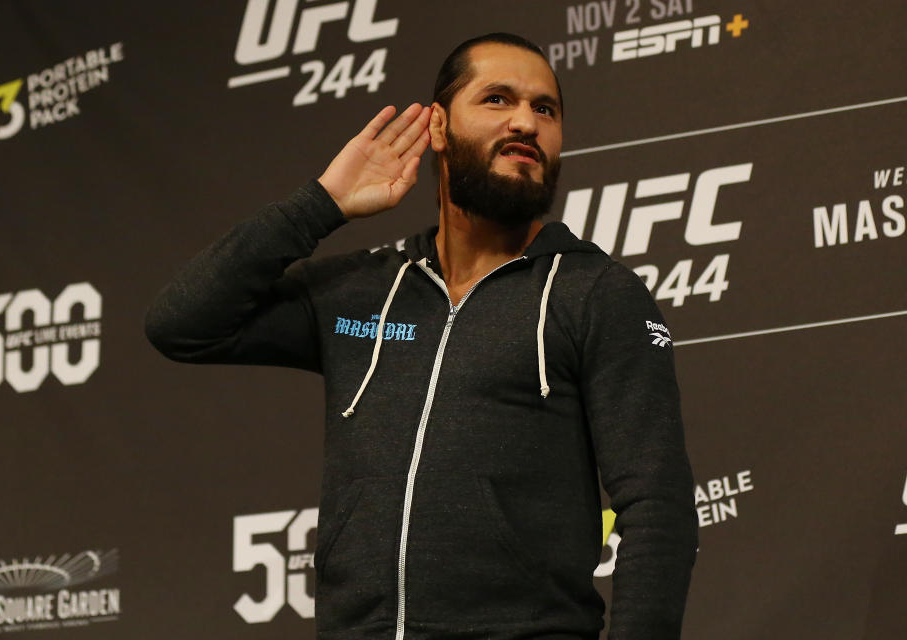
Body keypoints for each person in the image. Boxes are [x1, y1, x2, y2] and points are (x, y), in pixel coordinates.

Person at [146, 32, 697, 640]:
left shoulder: (595, 292)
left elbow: (657, 507)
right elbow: (182, 325)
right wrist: (320, 205)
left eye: (546, 109)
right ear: (438, 126)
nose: (526, 122)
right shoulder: (364, 290)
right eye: (497, 99)